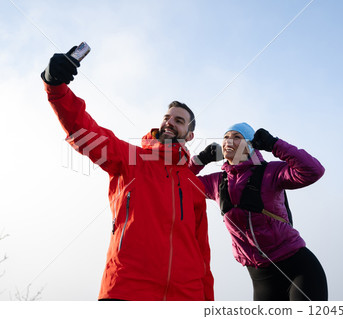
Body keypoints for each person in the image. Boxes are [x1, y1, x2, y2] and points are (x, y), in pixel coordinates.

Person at [40, 47, 214, 301]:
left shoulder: (192, 184)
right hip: (127, 288)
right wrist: (55, 87)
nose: (169, 122)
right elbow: (85, 132)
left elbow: (202, 254)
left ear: (189, 136)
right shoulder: (131, 159)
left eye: (178, 120)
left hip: (186, 296)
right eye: (167, 117)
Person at [190, 122, 328, 301]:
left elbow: (313, 170)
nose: (228, 141)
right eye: (225, 137)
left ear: (249, 146)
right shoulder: (216, 182)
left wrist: (274, 144)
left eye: (236, 137)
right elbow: (176, 183)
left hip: (298, 268)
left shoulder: (271, 172)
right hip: (261, 277)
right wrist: (200, 160)